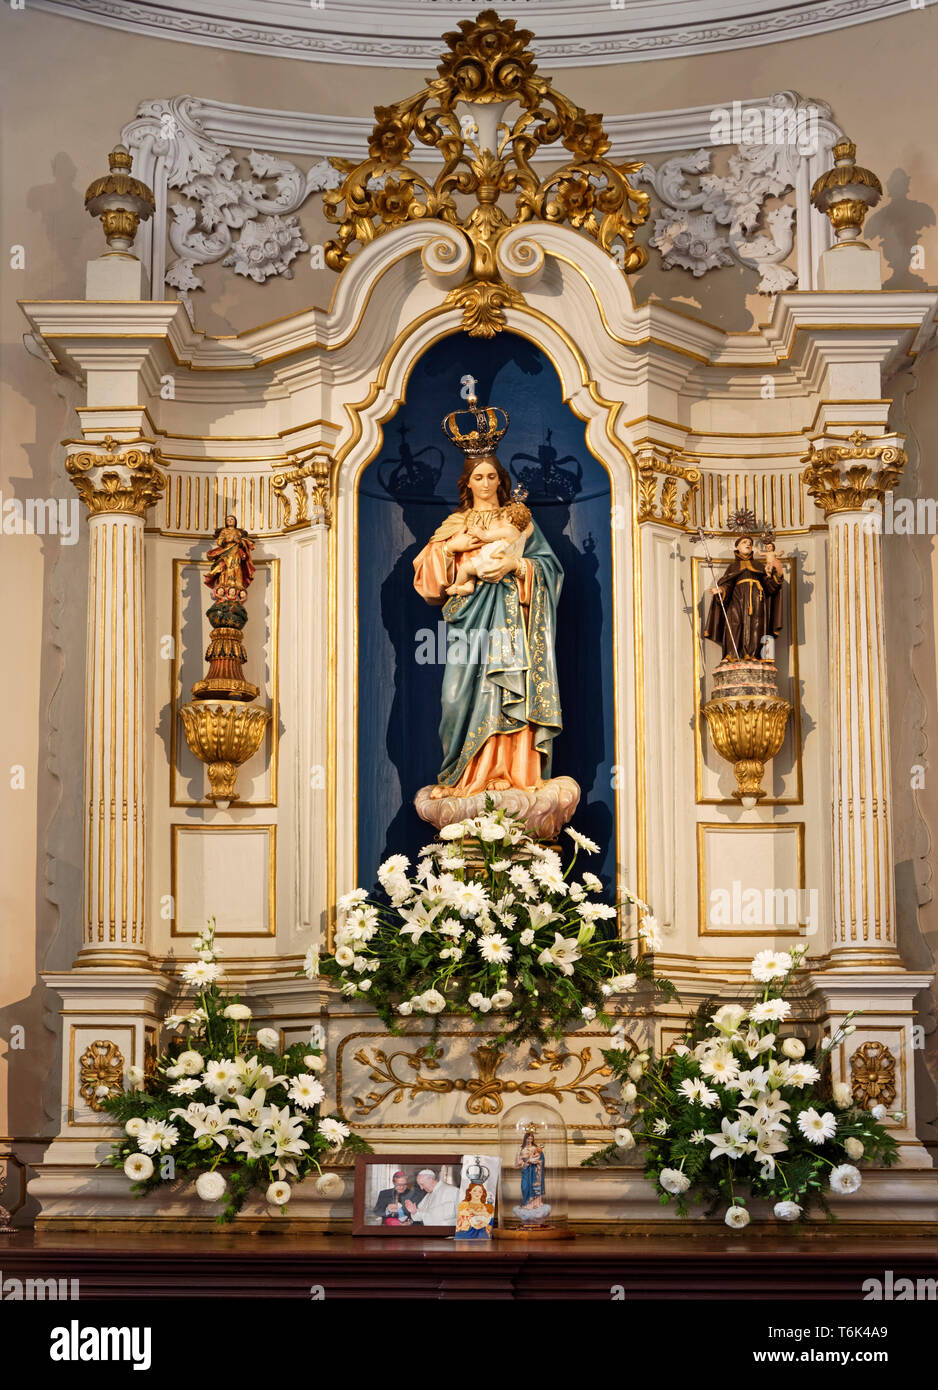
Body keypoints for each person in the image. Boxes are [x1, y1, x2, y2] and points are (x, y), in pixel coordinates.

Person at [413, 449, 563, 798]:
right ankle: (462, 778)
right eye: (477, 477)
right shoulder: (455, 524)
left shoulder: (520, 521)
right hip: (468, 626)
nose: (485, 483)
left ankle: (509, 773)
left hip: (511, 623)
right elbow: (426, 581)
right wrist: (453, 548)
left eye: (491, 476)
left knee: (508, 691)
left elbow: (551, 570)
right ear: (466, 482)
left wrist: (517, 567)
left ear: (500, 479)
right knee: (455, 699)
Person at [703, 533, 784, 662]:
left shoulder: (758, 566)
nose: (748, 544)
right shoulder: (733, 567)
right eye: (744, 542)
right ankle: (732, 654)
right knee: (734, 623)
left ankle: (754, 655)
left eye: (750, 543)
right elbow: (727, 584)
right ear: (737, 547)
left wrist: (778, 575)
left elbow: (770, 587)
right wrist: (721, 590)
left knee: (757, 626)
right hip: (737, 600)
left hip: (757, 599)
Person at [444, 499, 533, 596]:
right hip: (494, 565)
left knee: (465, 568)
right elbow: (530, 529)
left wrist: (477, 531)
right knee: (472, 569)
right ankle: (469, 585)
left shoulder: (508, 530)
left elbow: (487, 536)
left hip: (491, 563)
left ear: (509, 519)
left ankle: (456, 586)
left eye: (503, 517)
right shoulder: (521, 535)